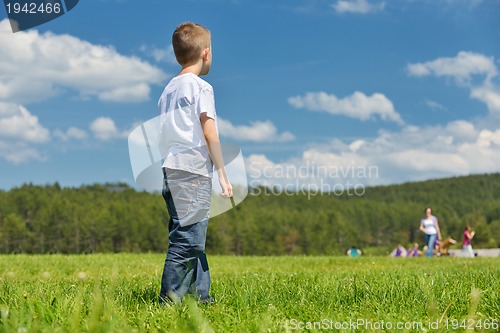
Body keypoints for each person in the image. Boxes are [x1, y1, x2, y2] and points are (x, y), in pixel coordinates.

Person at [157, 22, 232, 305]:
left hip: (172, 168)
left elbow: (163, 135)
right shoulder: (201, 87)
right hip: (192, 171)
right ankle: (170, 303)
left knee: (193, 240)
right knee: (186, 242)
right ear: (206, 53)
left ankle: (201, 299)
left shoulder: (168, 91)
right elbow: (209, 131)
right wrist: (223, 174)